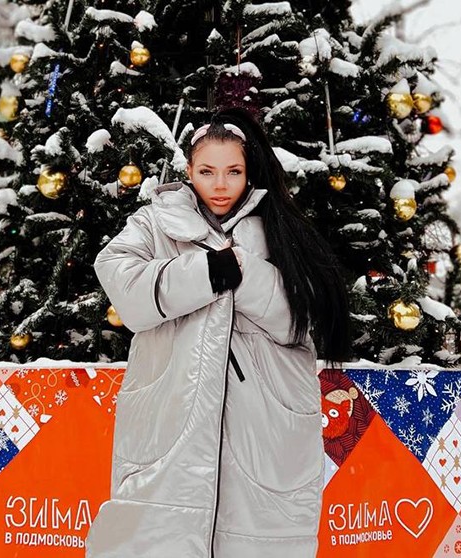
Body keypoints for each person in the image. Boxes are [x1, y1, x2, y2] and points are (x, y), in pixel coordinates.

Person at [85, 107, 352, 557]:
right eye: (207, 171)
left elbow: (309, 318)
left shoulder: (281, 231)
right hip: (169, 421)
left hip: (265, 426)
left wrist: (243, 275)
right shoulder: (155, 224)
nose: (221, 184)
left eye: (233, 171)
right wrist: (207, 272)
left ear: (250, 172)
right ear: (188, 171)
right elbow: (122, 283)